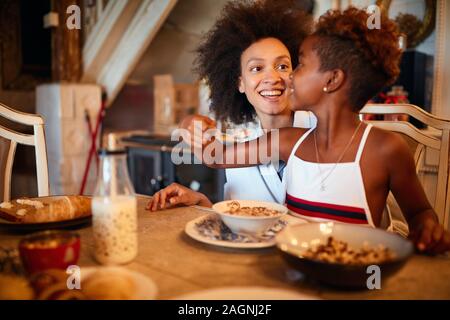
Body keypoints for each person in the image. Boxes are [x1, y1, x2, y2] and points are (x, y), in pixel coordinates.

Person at [188, 7, 450, 254]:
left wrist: (426, 228)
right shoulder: (287, 141)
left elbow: (420, 213)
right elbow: (216, 156)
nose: (287, 77)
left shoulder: (387, 149)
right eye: (258, 68)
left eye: (297, 65)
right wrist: (190, 124)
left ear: (332, 80)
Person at [147, 0, 314, 211]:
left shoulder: (319, 127)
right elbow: (235, 215)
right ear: (240, 83)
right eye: (256, 68)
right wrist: (200, 201)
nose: (272, 77)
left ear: (296, 73)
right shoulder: (236, 140)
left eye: (282, 66)